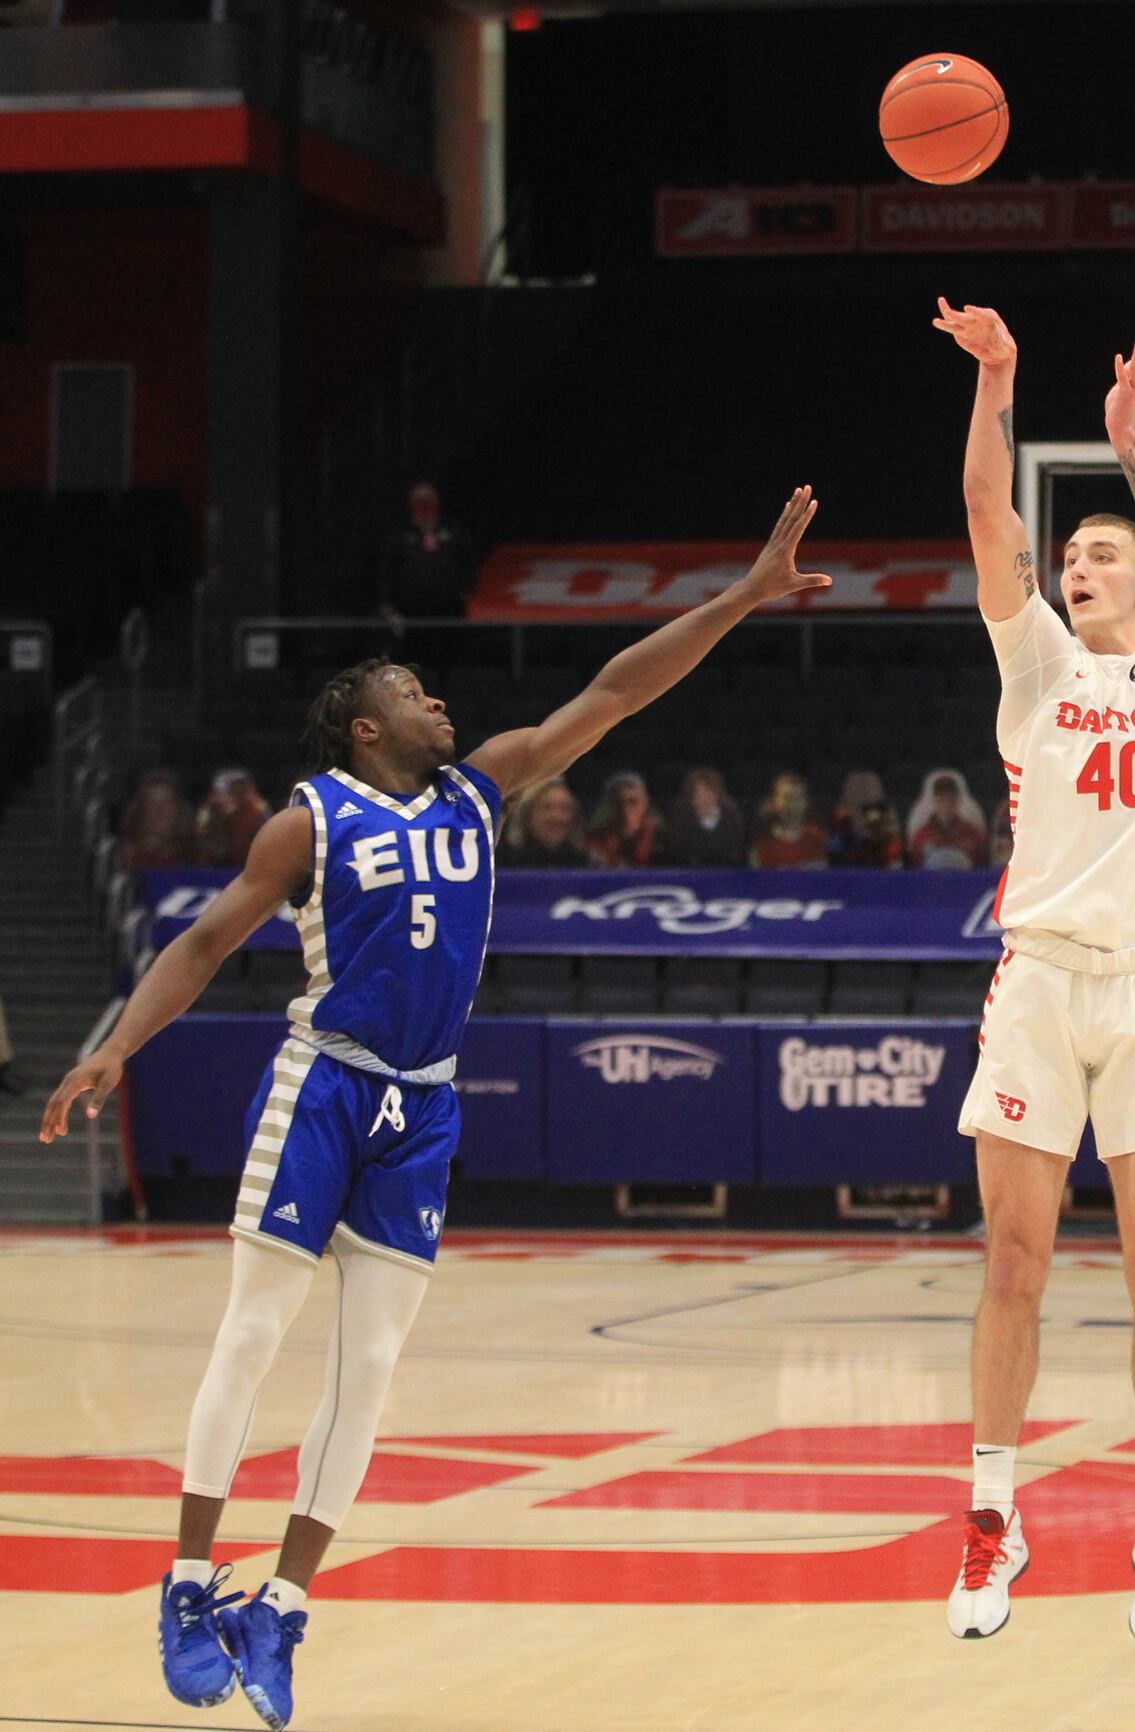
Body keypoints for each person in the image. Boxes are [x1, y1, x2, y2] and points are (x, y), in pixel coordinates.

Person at [40, 488, 830, 1729]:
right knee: (253, 1335)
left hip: (426, 1108)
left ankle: (282, 1610)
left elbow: (615, 693)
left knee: (372, 1371)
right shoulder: (310, 819)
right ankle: (187, 1587)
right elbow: (200, 941)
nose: (438, 701)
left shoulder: (479, 791)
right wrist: (117, 1048)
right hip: (326, 1082)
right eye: (412, 690)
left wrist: (738, 596)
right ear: (364, 728)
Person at [935, 298, 1135, 1652]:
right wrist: (1001, 376)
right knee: (1014, 1260)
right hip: (1040, 982)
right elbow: (989, 514)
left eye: (1104, 553)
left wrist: (1126, 442)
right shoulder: (1036, 664)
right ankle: (993, 1518)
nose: (1080, 564)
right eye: (1077, 556)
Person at [377, 481, 474, 619]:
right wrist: (386, 600)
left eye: (428, 498)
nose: (424, 502)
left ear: (437, 501)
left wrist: (467, 590)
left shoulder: (454, 532)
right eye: (419, 499)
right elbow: (386, 569)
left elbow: (469, 562)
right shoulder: (398, 535)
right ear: (411, 502)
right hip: (410, 610)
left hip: (450, 608)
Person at [661, 767, 746, 866]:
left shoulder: (732, 819)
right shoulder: (680, 821)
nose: (704, 797)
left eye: (708, 791)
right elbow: (676, 853)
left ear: (717, 793)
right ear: (691, 796)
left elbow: (737, 852)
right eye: (698, 792)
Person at [498, 777, 589, 867]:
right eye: (547, 807)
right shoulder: (502, 862)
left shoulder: (586, 865)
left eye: (564, 808)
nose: (557, 817)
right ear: (528, 814)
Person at [907, 769, 988, 869]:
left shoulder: (972, 834)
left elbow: (983, 869)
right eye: (941, 800)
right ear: (934, 802)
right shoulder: (921, 836)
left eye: (950, 799)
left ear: (957, 801)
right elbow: (913, 872)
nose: (946, 805)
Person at [119, 770, 197, 871]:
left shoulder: (194, 857)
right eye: (152, 803)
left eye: (167, 803)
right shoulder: (125, 859)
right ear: (141, 809)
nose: (159, 810)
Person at [196, 770, 272, 870]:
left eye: (240, 790)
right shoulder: (210, 811)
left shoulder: (257, 811)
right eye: (230, 791)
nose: (234, 796)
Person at [750, 772, 827, 869]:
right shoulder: (762, 841)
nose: (792, 805)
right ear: (774, 802)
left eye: (798, 798)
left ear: (807, 803)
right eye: (786, 798)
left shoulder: (817, 839)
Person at [828, 769, 903, 868]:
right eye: (855, 792)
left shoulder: (881, 819)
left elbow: (895, 868)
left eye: (868, 791)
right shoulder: (842, 830)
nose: (862, 795)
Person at [587, 771, 661, 866]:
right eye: (618, 803)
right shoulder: (597, 839)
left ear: (645, 802)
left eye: (633, 802)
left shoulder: (659, 838)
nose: (625, 810)